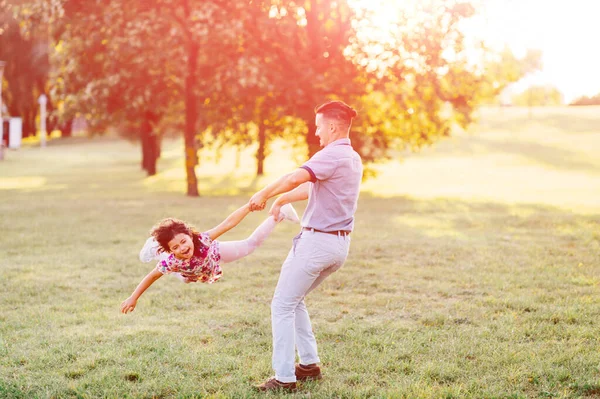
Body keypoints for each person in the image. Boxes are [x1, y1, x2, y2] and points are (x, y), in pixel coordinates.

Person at [249, 100, 363, 392]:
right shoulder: (351, 158)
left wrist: (262, 193)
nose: (317, 133)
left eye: (319, 127)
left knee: (282, 305)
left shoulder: (330, 154)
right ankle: (309, 366)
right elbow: (312, 186)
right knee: (294, 299)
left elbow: (293, 177)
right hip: (338, 247)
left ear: (333, 126)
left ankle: (284, 378)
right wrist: (283, 199)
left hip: (316, 243)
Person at [120, 203, 299, 314]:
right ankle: (155, 249)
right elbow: (151, 276)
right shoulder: (172, 260)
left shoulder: (203, 240)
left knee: (249, 245)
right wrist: (133, 298)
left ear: (190, 235)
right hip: (187, 270)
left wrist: (248, 207)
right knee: (184, 279)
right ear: (171, 251)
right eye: (175, 247)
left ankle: (280, 214)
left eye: (183, 241)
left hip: (213, 256)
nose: (182, 248)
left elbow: (228, 223)